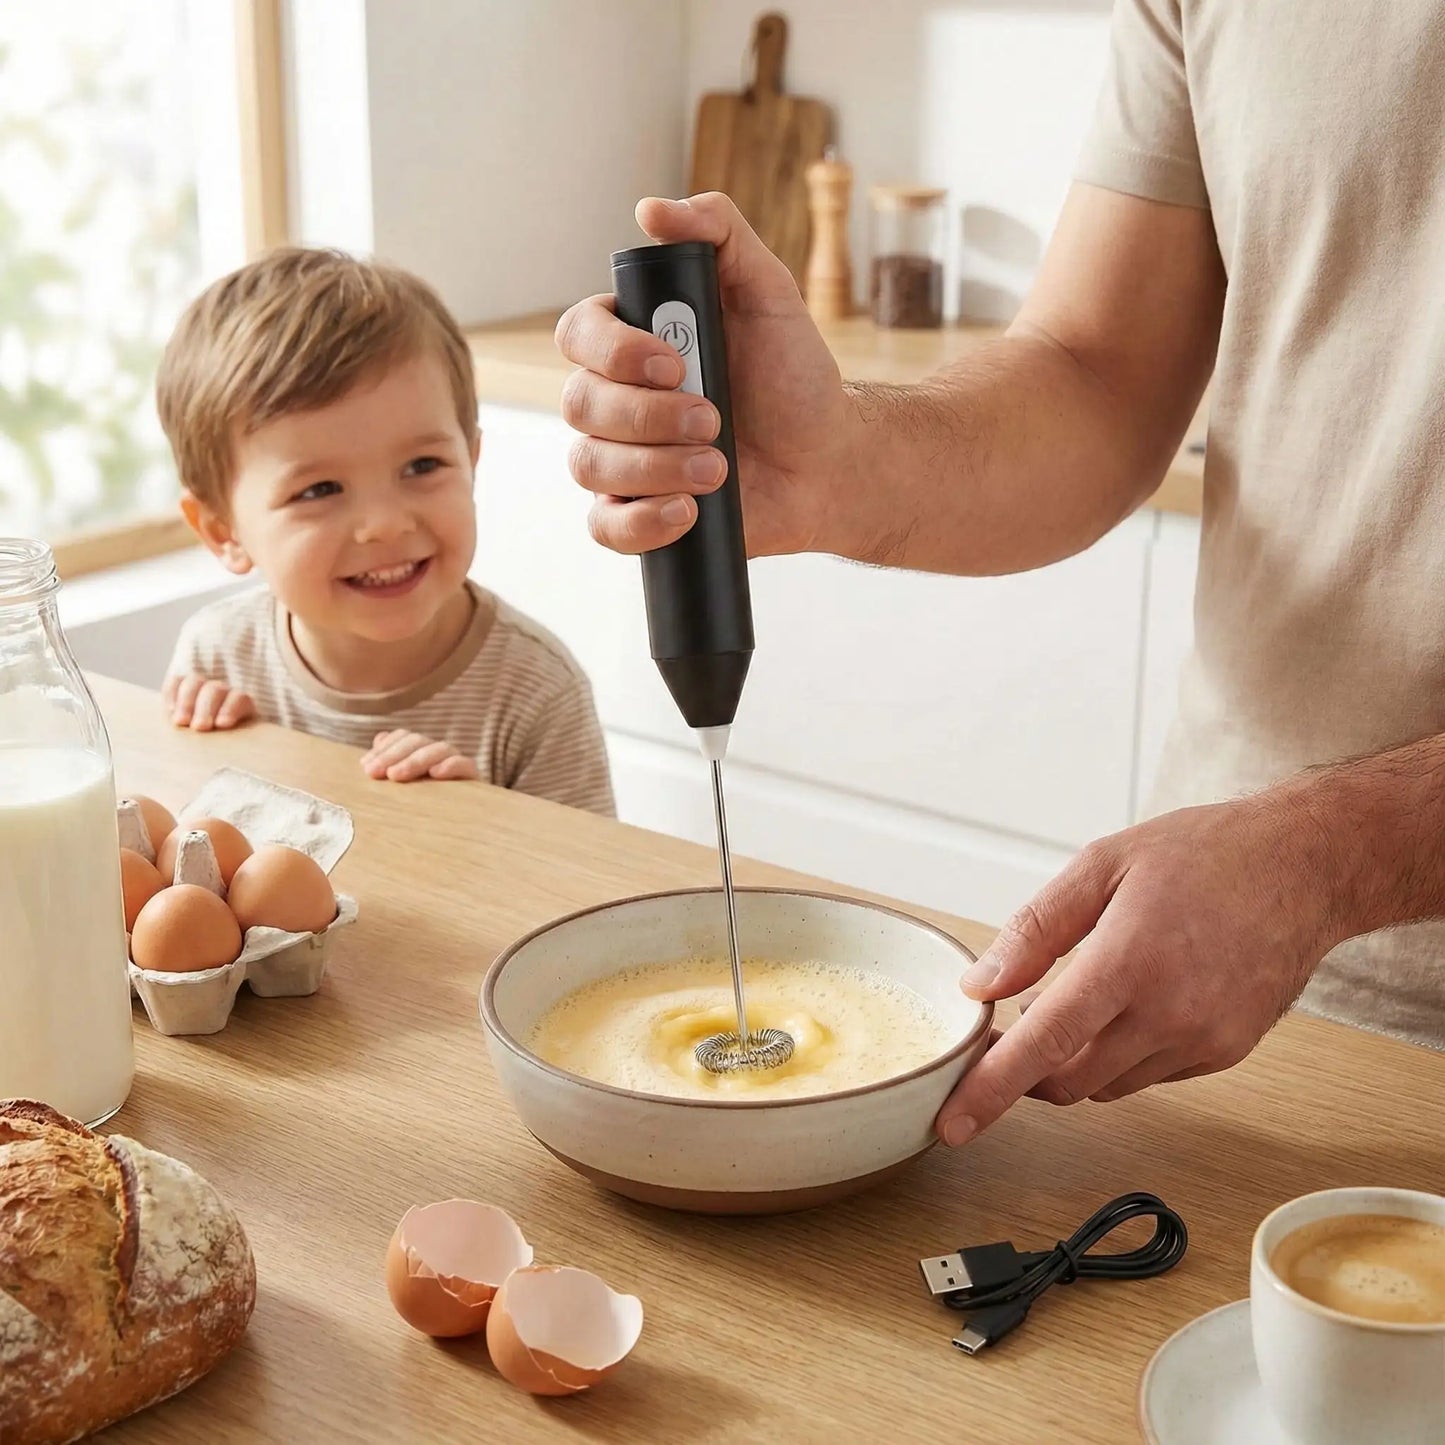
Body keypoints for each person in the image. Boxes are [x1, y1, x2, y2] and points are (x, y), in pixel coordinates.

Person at [554, 0, 1445, 1141]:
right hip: (1231, 990)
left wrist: (1320, 859)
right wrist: (845, 463)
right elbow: (1095, 369)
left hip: (1277, 893)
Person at [158, 247, 615, 816]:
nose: (386, 524)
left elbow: (593, 894)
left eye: (422, 467)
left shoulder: (536, 694)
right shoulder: (218, 658)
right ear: (223, 530)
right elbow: (193, 865)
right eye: (319, 490)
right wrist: (204, 760)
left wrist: (491, 830)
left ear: (471, 460)